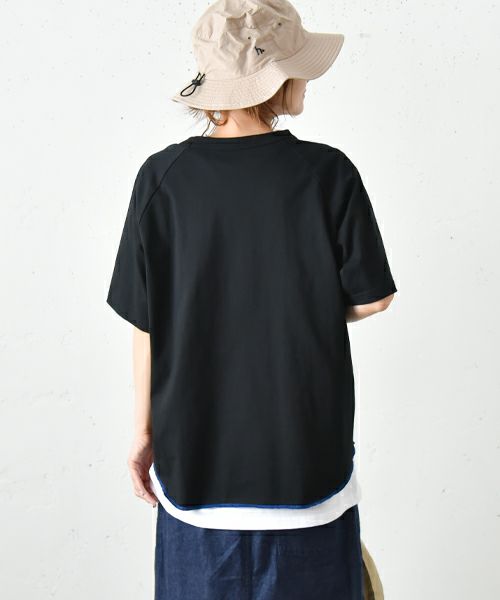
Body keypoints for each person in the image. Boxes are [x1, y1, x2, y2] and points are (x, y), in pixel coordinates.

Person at [106, 0, 397, 598]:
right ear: (277, 79)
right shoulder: (328, 173)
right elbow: (373, 300)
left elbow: (148, 323)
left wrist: (143, 433)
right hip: (307, 469)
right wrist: (304, 304)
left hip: (195, 474)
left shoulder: (161, 178)